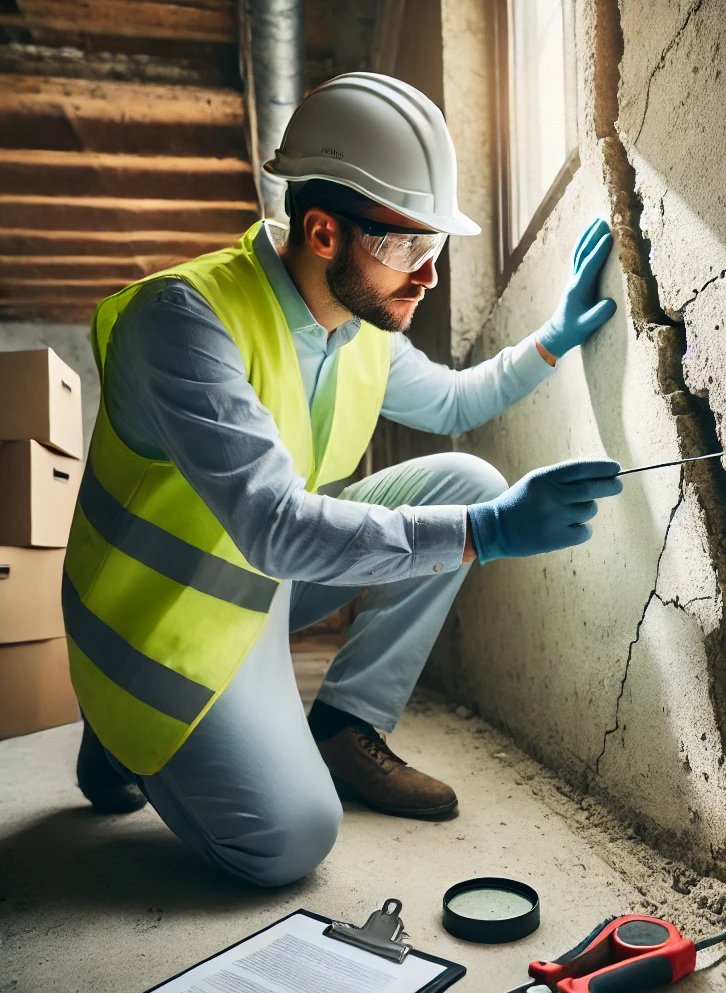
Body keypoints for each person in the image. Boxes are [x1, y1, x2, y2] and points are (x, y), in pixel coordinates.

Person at [66, 73, 622, 886]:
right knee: (290, 841)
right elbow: (277, 528)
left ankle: (345, 727)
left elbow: (456, 401)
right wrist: (488, 534)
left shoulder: (361, 328)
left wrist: (553, 337)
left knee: (465, 480)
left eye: (435, 250)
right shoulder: (183, 322)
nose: (427, 277)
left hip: (265, 585)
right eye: (408, 249)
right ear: (324, 232)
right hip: (160, 629)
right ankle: (120, 733)